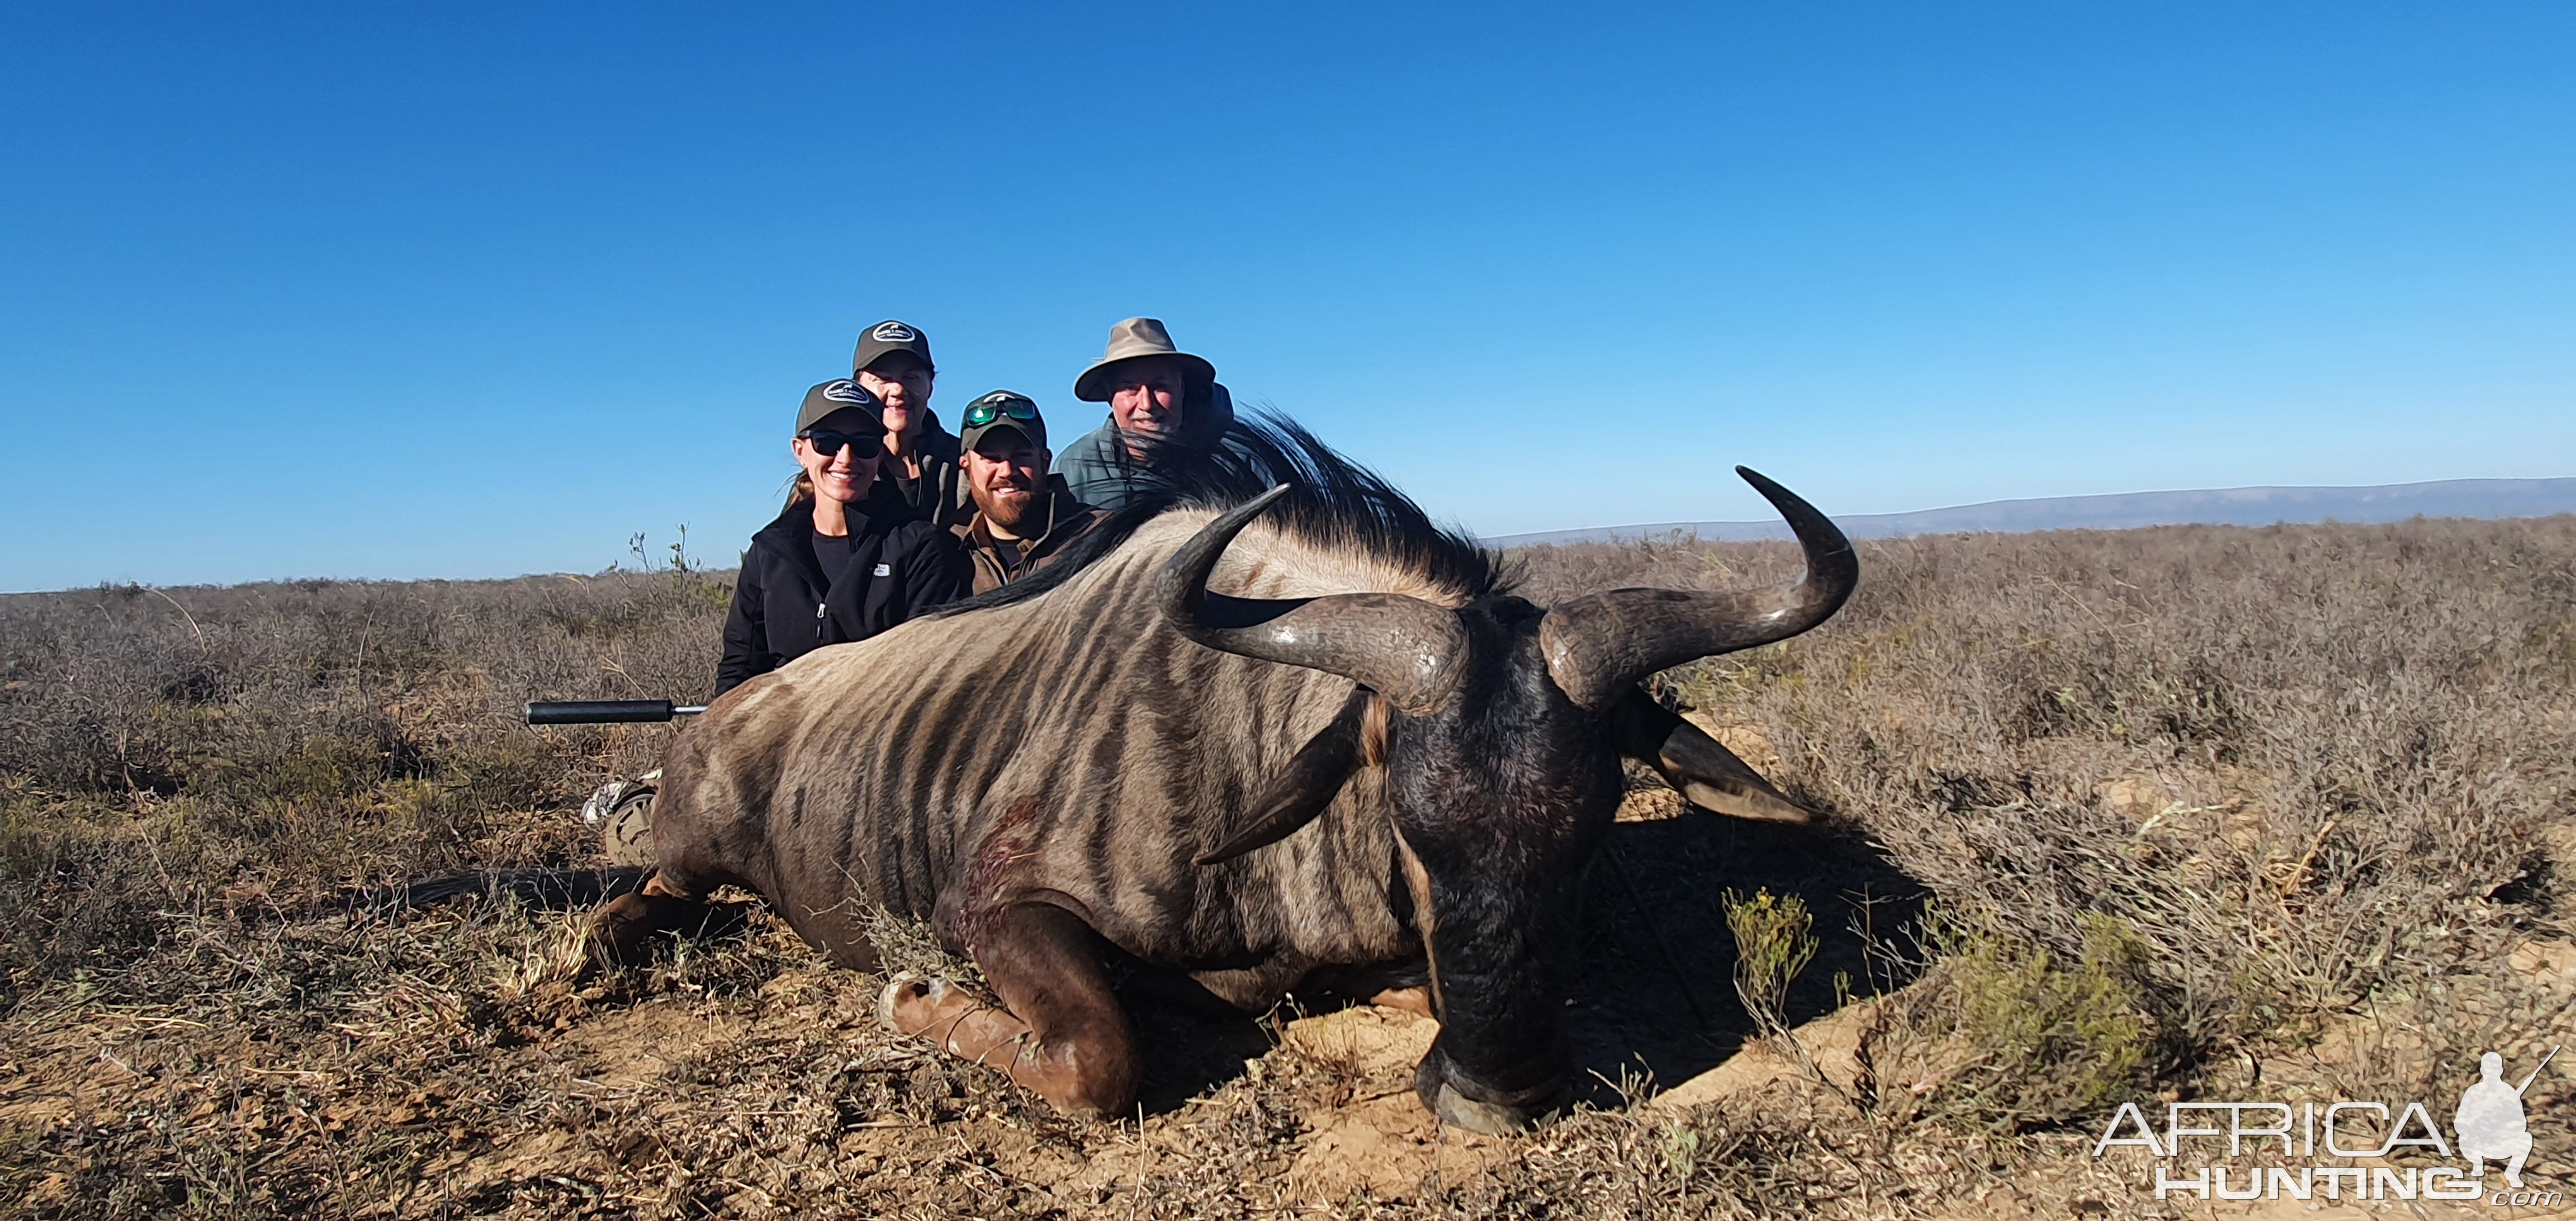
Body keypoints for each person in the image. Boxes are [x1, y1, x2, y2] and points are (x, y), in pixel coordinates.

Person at [716, 379, 970, 697]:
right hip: (785, 735)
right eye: (828, 442)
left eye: (864, 444)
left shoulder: (921, 549)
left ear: (879, 453)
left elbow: (929, 674)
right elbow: (740, 671)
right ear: (800, 451)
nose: (846, 458)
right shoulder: (770, 552)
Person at [1055, 317, 1239, 510]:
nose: (1147, 404)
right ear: (1110, 398)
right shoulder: (1073, 467)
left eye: (1160, 387)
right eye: (1130, 389)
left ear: (1181, 389)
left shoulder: (1236, 458)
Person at [950, 391, 1110, 594]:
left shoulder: (1100, 536)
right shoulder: (948, 551)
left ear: (1045, 462)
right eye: (991, 458)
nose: (1007, 470)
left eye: (1022, 455)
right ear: (967, 468)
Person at [851, 319, 969, 528]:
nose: (898, 390)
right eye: (883, 379)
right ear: (858, 388)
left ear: (930, 387)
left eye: (911, 377)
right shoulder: (839, 467)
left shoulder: (964, 464)